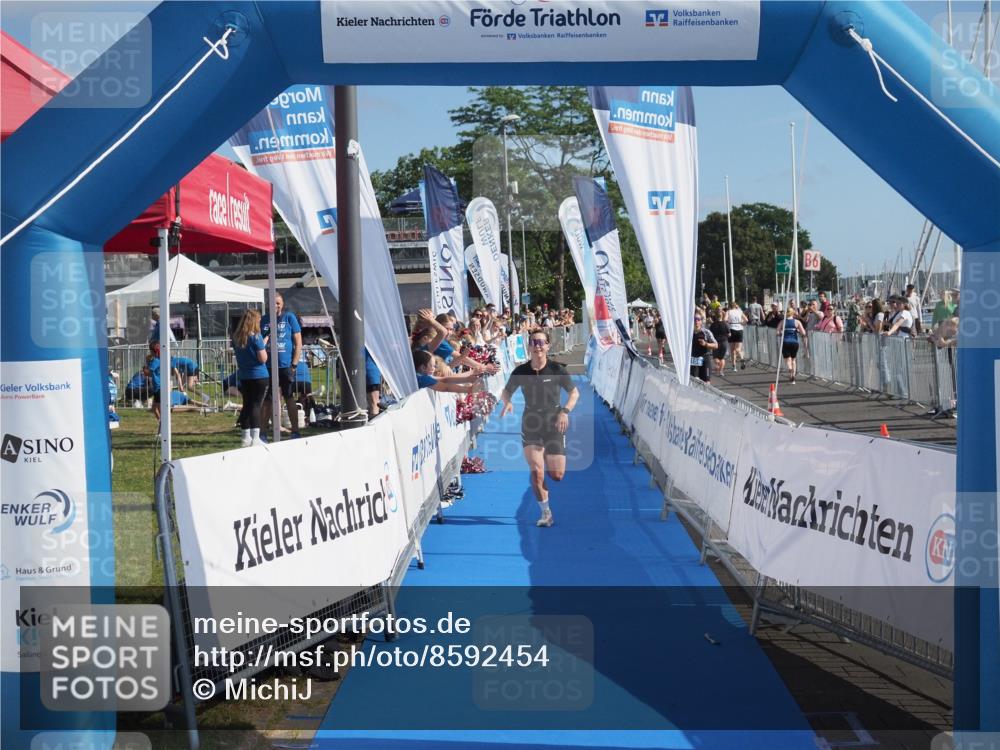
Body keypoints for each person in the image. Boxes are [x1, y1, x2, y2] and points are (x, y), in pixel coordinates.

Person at [499, 329, 579, 528]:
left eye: (541, 342)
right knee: (536, 471)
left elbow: (574, 393)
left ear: (548, 346)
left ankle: (546, 461)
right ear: (529, 347)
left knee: (557, 476)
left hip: (554, 423)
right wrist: (507, 402)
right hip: (531, 423)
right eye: (534, 342)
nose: (538, 346)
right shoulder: (520, 371)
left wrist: (564, 412)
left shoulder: (557, 369)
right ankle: (546, 513)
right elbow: (506, 391)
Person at [261, 293, 303, 439]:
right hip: (267, 366)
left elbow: (298, 342)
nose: (275, 306)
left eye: (278, 303)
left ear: (282, 304)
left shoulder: (289, 318)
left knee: (289, 397)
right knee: (267, 400)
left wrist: (294, 364)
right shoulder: (263, 319)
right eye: (273, 303)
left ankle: (295, 430)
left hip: (285, 366)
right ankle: (263, 433)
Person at [233, 308, 269, 447]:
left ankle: (245, 437)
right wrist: (263, 347)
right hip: (259, 375)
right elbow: (262, 358)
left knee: (247, 405)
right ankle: (256, 438)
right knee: (256, 406)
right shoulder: (256, 336)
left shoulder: (237, 337)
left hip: (244, 376)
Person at [413, 349, 485, 393]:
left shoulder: (418, 373)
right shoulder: (423, 379)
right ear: (422, 367)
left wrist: (468, 377)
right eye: (432, 366)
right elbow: (445, 386)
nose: (434, 368)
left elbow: (445, 379)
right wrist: (469, 389)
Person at [779, 307, 807, 383]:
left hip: (785, 342)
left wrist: (782, 332)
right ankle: (793, 376)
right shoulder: (797, 322)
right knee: (793, 360)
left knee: (788, 360)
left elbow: (777, 332)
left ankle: (790, 370)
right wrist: (797, 330)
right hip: (794, 342)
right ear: (793, 313)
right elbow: (803, 333)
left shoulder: (782, 322)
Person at [691, 312, 717, 383]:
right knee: (694, 381)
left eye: (698, 319)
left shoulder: (706, 332)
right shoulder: (689, 332)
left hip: (705, 358)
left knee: (706, 382)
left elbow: (716, 345)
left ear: (701, 321)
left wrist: (706, 344)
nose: (696, 321)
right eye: (694, 319)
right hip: (694, 359)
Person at [725, 301, 748, 370]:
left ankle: (734, 366)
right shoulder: (740, 311)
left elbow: (725, 319)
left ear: (729, 306)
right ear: (736, 306)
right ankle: (742, 358)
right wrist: (742, 323)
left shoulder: (728, 312)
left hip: (731, 329)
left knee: (732, 350)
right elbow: (746, 320)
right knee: (738, 349)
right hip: (739, 329)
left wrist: (729, 322)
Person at [708, 310, 730, 377]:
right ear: (722, 316)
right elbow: (729, 334)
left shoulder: (713, 325)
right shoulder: (725, 324)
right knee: (722, 358)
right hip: (724, 342)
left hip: (716, 343)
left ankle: (717, 365)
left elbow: (709, 334)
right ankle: (721, 371)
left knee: (715, 357)